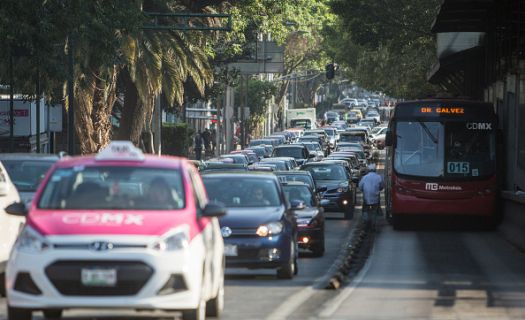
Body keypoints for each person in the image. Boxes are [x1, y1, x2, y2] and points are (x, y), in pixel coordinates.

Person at [358, 163, 384, 230]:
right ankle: (373, 224)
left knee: (365, 209)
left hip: (366, 197)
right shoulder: (378, 177)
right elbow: (381, 186)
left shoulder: (365, 177)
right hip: (375, 197)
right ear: (375, 170)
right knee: (374, 211)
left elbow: (360, 187)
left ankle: (366, 223)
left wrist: (364, 190)